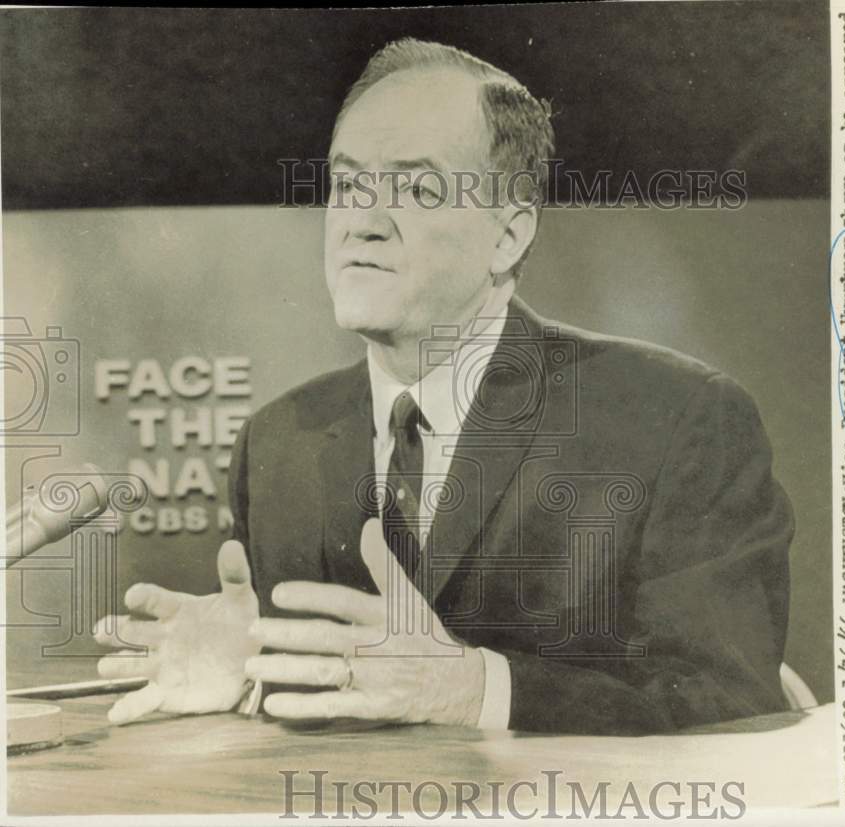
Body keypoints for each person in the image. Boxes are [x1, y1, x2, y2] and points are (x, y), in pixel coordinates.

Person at [93, 37, 794, 736]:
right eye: (347, 184)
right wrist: (250, 674)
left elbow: (734, 707)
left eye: (417, 188)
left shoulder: (675, 421)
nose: (361, 224)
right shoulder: (277, 440)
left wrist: (474, 689)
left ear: (509, 234)